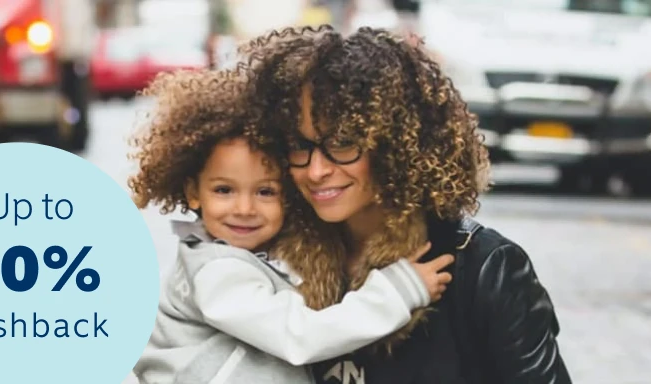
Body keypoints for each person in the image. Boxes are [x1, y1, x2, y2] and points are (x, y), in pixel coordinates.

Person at [234, 25, 572, 384]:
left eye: (344, 143)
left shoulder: (484, 268)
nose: (316, 170)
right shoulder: (269, 263)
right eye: (300, 146)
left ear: (394, 142)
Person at [126, 68, 457, 384]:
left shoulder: (235, 256)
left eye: (265, 191)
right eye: (224, 190)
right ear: (192, 193)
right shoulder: (216, 272)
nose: (244, 209)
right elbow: (299, 336)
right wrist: (398, 290)